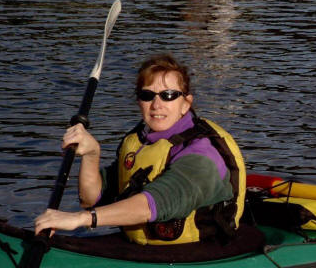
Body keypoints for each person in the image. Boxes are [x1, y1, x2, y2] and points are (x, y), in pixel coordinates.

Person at [35, 54, 246, 245]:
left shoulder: (201, 154)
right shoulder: (142, 142)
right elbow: (90, 200)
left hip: (199, 252)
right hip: (144, 250)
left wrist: (80, 219)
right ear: (139, 102)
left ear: (186, 103)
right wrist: (92, 155)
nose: (157, 104)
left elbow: (155, 204)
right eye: (147, 95)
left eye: (169, 95)